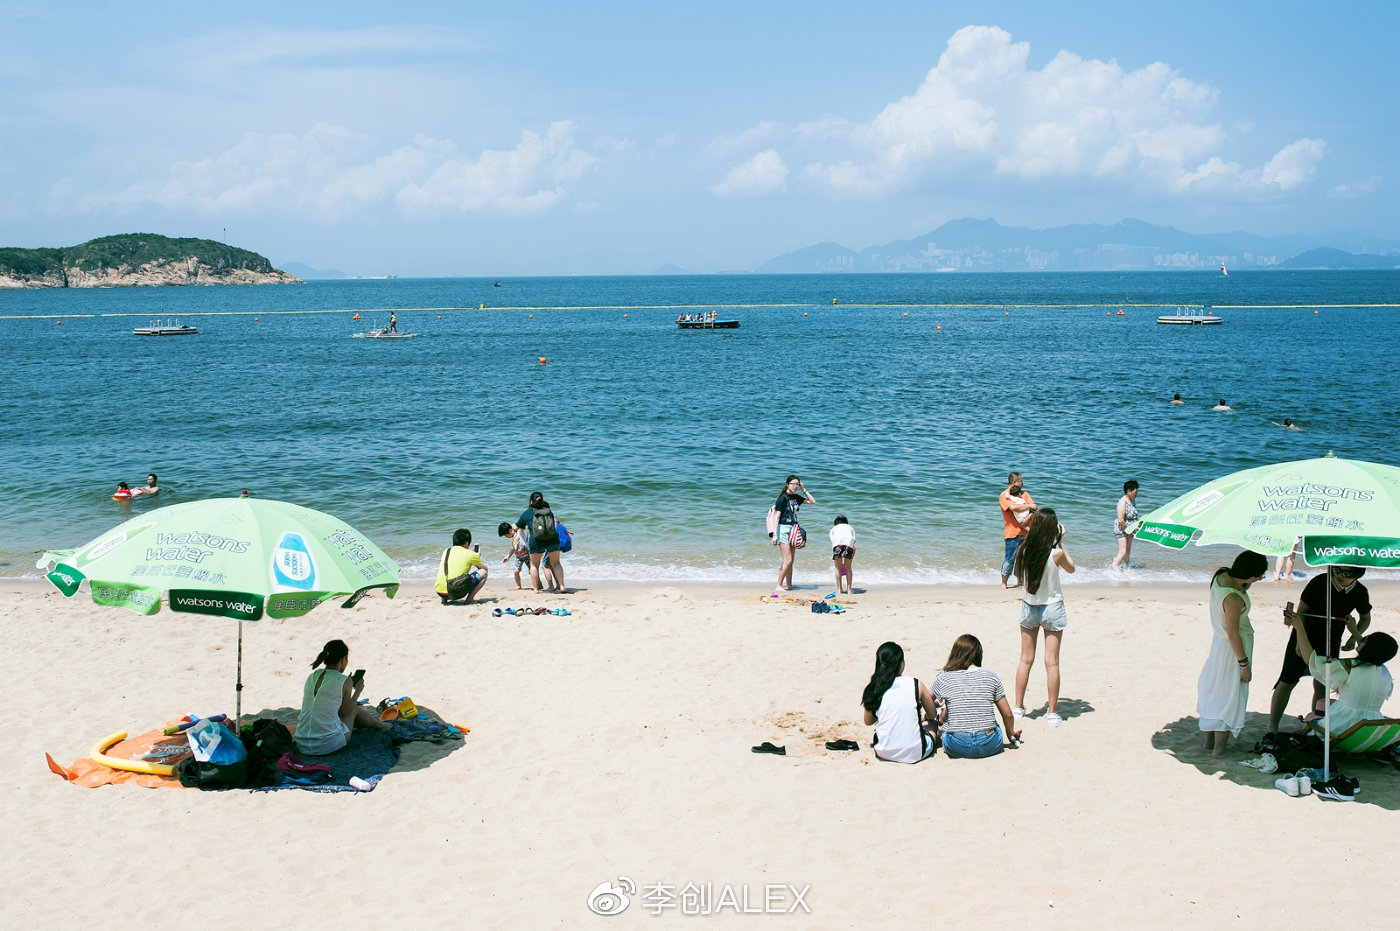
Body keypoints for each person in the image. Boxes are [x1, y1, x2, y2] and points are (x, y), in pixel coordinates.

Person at [1266, 566, 1372, 736]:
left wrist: (1354, 637)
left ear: (1356, 575)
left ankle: (1315, 725)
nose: (1338, 575)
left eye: (1345, 574)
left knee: (1322, 684)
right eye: (1336, 570)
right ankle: (1272, 727)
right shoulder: (1319, 582)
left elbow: (1365, 617)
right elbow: (1301, 612)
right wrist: (1300, 643)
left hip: (1331, 640)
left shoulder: (1360, 591)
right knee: (1287, 680)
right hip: (1303, 634)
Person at [1196, 550, 1268, 757]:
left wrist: (1247, 582)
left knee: (1215, 687)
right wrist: (1244, 664)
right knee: (1229, 693)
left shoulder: (1222, 575)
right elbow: (1233, 634)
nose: (1260, 579)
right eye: (1260, 576)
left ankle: (1208, 742)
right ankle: (1219, 748)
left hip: (1219, 644)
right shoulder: (1233, 599)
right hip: (1233, 648)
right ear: (1251, 575)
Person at [1283, 607, 1395, 735]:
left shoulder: (1349, 667)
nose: (1361, 640)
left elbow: (1311, 660)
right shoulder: (1385, 673)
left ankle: (1304, 725)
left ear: (1369, 648)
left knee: (1319, 710)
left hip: (1343, 725)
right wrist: (1354, 630)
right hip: (1369, 729)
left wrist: (1300, 628)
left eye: (1364, 640)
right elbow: (1371, 650)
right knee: (1325, 703)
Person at [1012, 507, 1076, 727]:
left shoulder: (1023, 549)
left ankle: (1018, 708)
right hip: (1052, 607)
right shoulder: (1056, 552)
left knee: (1025, 660)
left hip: (1029, 607)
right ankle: (1051, 713)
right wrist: (1060, 541)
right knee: (1052, 663)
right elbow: (1072, 568)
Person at [293, 639, 391, 756]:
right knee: (354, 709)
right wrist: (357, 691)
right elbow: (344, 712)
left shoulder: (312, 676)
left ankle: (371, 724)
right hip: (327, 745)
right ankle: (379, 725)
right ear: (343, 659)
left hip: (302, 744)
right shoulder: (344, 680)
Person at [933, 634, 1020, 758]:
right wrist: (1010, 733)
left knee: (946, 721)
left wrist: (938, 714)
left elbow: (928, 698)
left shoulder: (945, 677)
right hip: (989, 744)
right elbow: (1007, 714)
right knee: (995, 726)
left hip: (957, 746)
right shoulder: (990, 675)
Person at [861, 641, 940, 763]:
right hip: (916, 753)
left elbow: (868, 721)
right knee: (932, 725)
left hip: (883, 751)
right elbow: (932, 715)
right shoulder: (915, 684)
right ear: (901, 663)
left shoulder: (874, 687)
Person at [770, 475, 815, 591]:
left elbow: (812, 501)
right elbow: (776, 517)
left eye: (797, 484)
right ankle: (779, 585)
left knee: (791, 561)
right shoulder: (782, 498)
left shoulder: (795, 497)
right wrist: (775, 535)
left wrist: (804, 489)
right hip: (783, 530)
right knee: (788, 560)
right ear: (787, 484)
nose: (795, 486)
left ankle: (789, 585)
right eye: (793, 484)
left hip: (794, 529)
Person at [517, 491, 566, 593]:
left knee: (534, 565)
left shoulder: (527, 513)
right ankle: (561, 586)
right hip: (553, 539)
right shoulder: (549, 511)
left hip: (536, 541)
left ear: (531, 501)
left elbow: (519, 526)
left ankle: (535, 589)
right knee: (556, 563)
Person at [998, 471, 1035, 588]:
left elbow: (1035, 508)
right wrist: (1028, 506)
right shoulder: (1004, 496)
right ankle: (1004, 583)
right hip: (1012, 532)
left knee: (1023, 558)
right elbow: (1014, 508)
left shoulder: (1025, 494)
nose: (1023, 484)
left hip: (1026, 531)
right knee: (1010, 558)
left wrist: (1027, 519)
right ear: (1014, 482)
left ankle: (1019, 581)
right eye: (1021, 481)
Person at [434, 528, 488, 604]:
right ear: (467, 542)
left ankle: (444, 600)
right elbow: (484, 568)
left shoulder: (446, 551)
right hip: (456, 593)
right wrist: (477, 557)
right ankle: (469, 599)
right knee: (484, 572)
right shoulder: (470, 554)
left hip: (440, 592)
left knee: (447, 572)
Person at [1112, 479, 1140, 570]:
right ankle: (1113, 569)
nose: (1136, 494)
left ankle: (1126, 570)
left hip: (1130, 529)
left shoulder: (1132, 500)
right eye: (1135, 492)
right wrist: (1129, 530)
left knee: (1128, 552)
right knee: (1123, 552)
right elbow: (1121, 520)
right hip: (1122, 528)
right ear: (1128, 491)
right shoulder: (1122, 502)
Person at [498, 521, 530, 590]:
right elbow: (512, 548)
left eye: (506, 535)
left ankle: (539, 584)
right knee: (516, 571)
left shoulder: (519, 532)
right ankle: (519, 586)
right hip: (519, 557)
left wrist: (514, 527)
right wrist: (508, 556)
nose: (506, 537)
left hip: (528, 555)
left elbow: (521, 525)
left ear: (510, 530)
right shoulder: (512, 539)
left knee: (532, 571)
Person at [830, 515, 856, 595]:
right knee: (848, 568)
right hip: (848, 545)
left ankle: (839, 590)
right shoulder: (850, 528)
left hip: (837, 545)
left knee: (838, 568)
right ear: (846, 523)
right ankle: (849, 590)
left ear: (836, 524)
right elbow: (854, 543)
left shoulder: (833, 529)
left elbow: (833, 542)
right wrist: (852, 556)